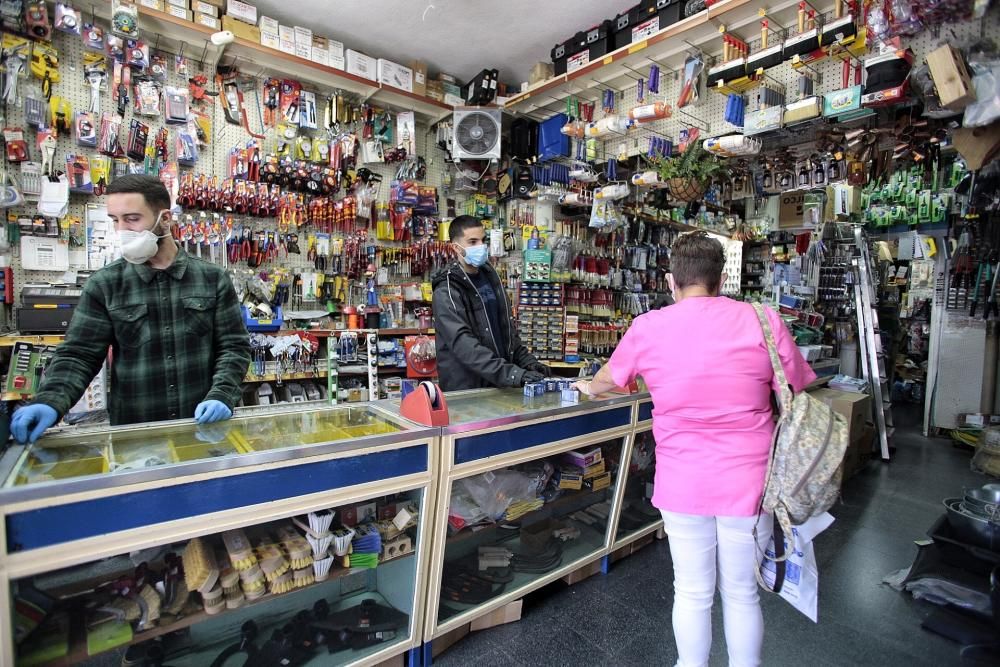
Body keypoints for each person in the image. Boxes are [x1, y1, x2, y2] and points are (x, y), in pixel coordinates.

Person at [574, 231, 815, 667]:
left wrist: (589, 386)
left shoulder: (648, 327)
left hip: (682, 483)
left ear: (672, 281)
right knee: (741, 593)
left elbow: (606, 381)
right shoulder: (763, 319)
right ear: (720, 279)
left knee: (691, 590)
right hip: (751, 481)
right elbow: (795, 386)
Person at [11, 175, 252, 443]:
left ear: (166, 219)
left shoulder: (212, 278)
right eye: (116, 220)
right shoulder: (104, 285)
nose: (122, 230)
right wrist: (50, 401)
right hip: (136, 438)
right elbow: (79, 355)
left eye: (132, 219)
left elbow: (234, 348)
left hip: (204, 429)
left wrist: (222, 394)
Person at [433, 215, 548, 391]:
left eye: (483, 240)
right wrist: (513, 374)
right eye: (472, 242)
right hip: (467, 391)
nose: (480, 246)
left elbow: (507, 333)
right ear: (456, 248)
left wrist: (528, 363)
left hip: (498, 385)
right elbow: (464, 345)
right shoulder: (446, 290)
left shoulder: (490, 278)